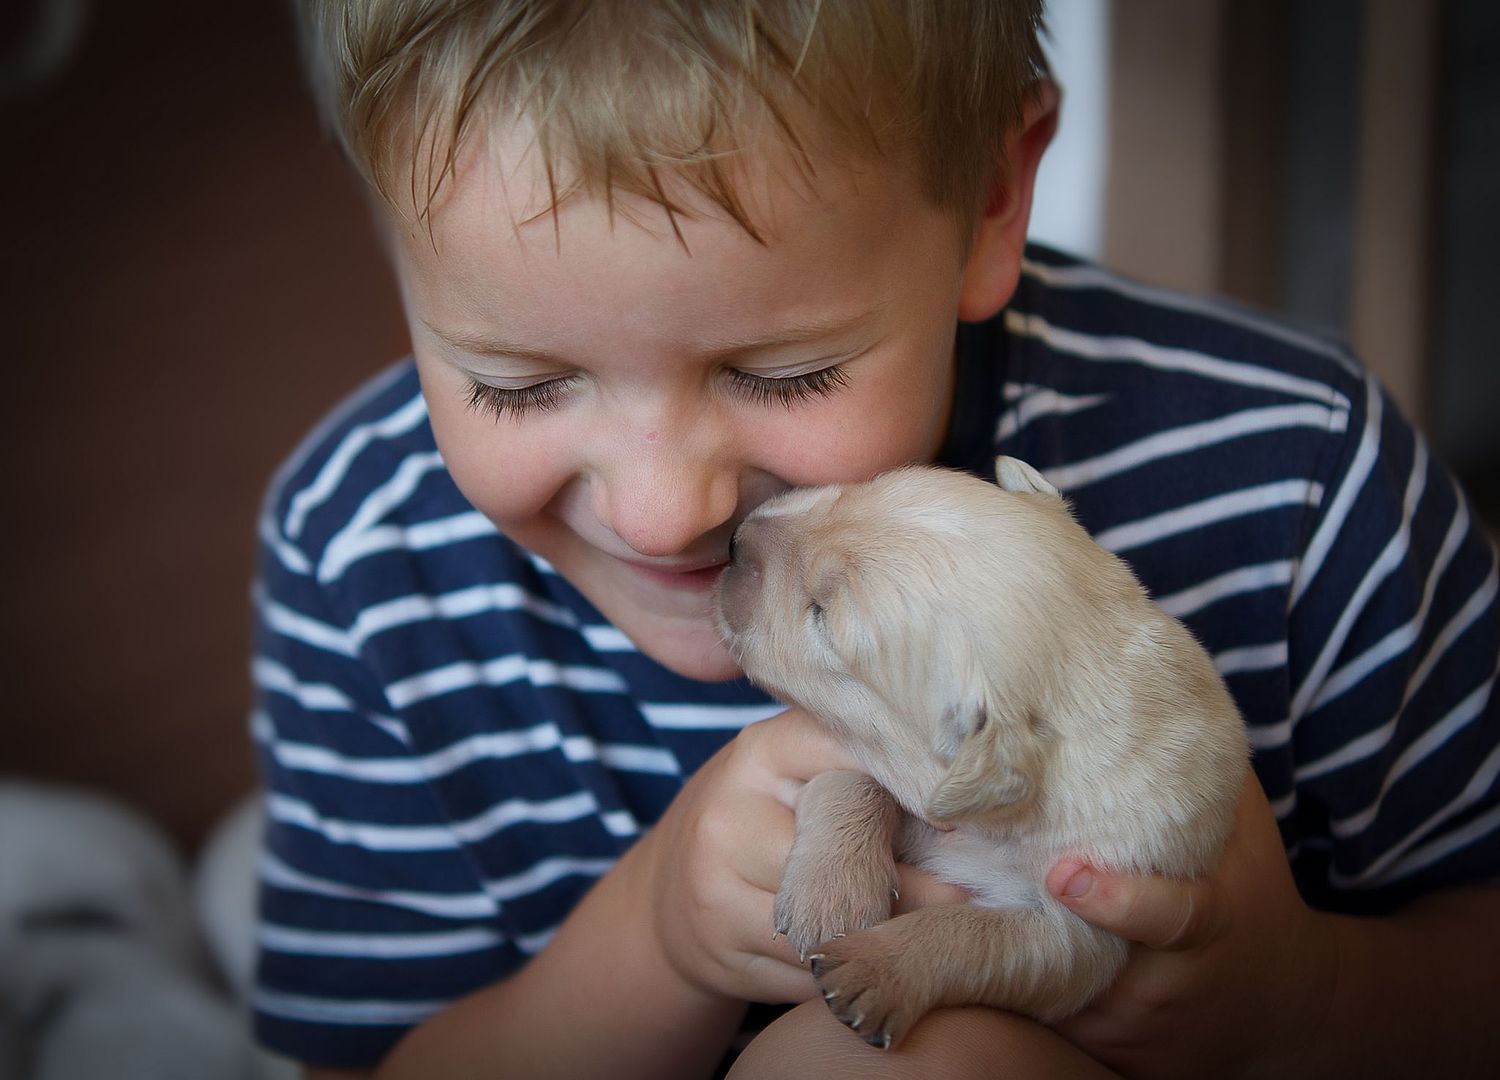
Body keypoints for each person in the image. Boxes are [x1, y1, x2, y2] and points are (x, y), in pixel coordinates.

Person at [251, 2, 1500, 1077]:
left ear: (993, 198)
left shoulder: (1297, 477)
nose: (663, 511)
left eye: (783, 373)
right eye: (518, 384)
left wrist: (1303, 1009)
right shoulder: (362, 558)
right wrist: (656, 942)